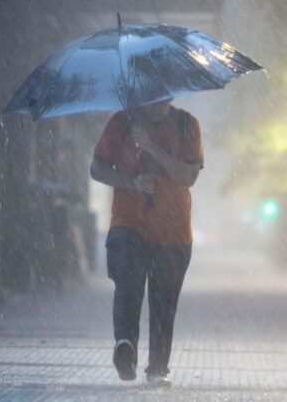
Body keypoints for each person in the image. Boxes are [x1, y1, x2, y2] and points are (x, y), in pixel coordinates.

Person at [90, 99, 203, 387]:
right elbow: (97, 169)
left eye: (164, 95)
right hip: (129, 223)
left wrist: (151, 147)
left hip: (173, 231)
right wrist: (131, 182)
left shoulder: (186, 124)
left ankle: (157, 367)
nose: (159, 101)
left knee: (164, 301)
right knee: (127, 285)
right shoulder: (122, 122)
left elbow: (189, 175)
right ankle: (125, 346)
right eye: (152, 95)